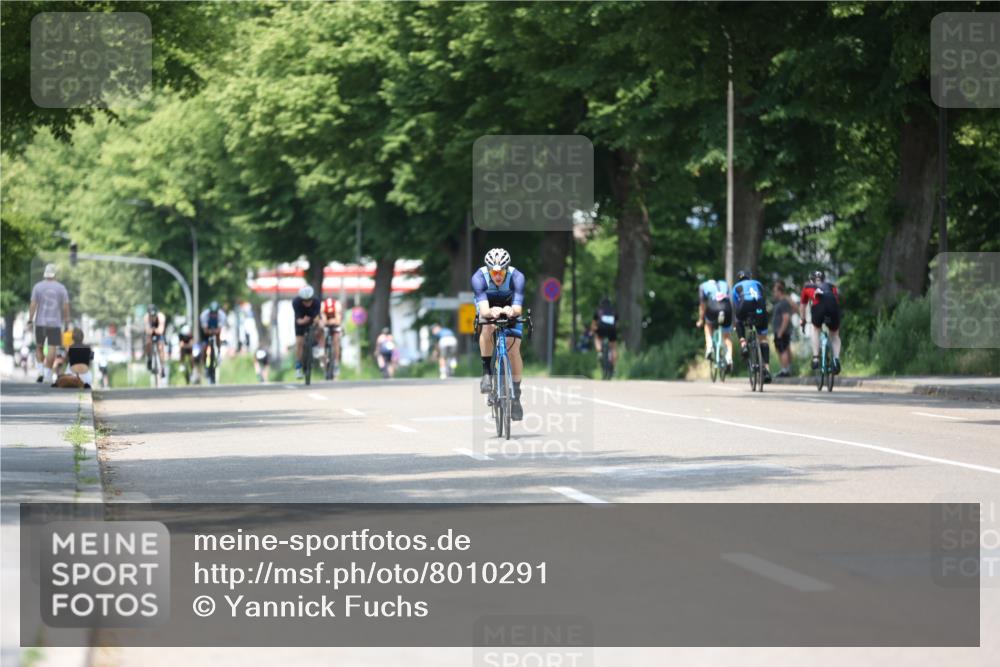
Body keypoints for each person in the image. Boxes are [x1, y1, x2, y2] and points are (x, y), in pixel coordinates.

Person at [471, 248, 526, 420]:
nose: (498, 275)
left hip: (510, 308)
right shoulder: (478, 278)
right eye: (494, 271)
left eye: (501, 270)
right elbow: (484, 310)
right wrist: (491, 312)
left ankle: (516, 395)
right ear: (488, 270)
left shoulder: (517, 277)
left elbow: (518, 308)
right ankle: (487, 372)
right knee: (487, 328)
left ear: (507, 268)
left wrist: (510, 310)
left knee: (513, 346)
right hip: (488, 306)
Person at [27, 263, 71, 384]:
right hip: (55, 324)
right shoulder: (61, 288)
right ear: (55, 274)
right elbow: (66, 307)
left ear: (45, 274)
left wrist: (30, 320)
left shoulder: (37, 287)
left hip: (40, 322)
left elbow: (33, 305)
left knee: (39, 346)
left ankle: (40, 371)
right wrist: (67, 322)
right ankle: (47, 374)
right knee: (52, 348)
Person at [732, 269, 772, 383]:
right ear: (749, 277)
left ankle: (743, 343)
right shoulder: (757, 283)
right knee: (763, 339)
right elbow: (762, 297)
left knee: (738, 320)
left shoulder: (736, 287)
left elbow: (736, 304)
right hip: (758, 306)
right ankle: (766, 369)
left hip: (744, 305)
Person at [799, 270, 842, 374]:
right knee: (835, 335)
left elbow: (803, 307)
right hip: (833, 307)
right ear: (823, 279)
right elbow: (836, 300)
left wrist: (803, 320)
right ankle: (836, 360)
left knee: (816, 329)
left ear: (811, 280)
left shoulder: (808, 286)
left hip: (819, 308)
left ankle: (815, 358)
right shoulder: (832, 286)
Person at [696, 278, 734, 371]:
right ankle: (729, 357)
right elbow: (729, 298)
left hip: (713, 307)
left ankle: (709, 346)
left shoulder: (703, 286)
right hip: (726, 307)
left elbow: (702, 305)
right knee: (727, 336)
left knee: (707, 325)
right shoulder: (724, 283)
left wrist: (701, 319)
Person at [291, 286, 321, 379]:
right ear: (301, 299)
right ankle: (298, 367)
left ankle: (316, 345)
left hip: (312, 318)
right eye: (305, 300)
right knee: (299, 342)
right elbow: (298, 320)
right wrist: (303, 321)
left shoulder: (316, 302)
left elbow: (317, 317)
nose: (307, 303)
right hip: (301, 321)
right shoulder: (296, 302)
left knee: (320, 326)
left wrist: (315, 321)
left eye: (309, 300)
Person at [771, 281, 794, 377]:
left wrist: (780, 332)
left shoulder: (783, 303)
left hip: (782, 331)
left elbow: (786, 318)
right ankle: (786, 369)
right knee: (783, 348)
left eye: (775, 291)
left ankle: (785, 370)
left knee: (782, 349)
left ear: (779, 291)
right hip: (780, 330)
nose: (774, 293)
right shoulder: (781, 302)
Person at [591, 296, 619, 370]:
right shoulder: (614, 310)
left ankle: (600, 352)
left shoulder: (598, 310)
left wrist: (593, 331)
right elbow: (616, 324)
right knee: (613, 348)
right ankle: (614, 366)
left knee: (597, 338)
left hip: (601, 329)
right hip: (612, 330)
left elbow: (594, 323)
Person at [321, 297, 343, 378]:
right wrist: (325, 323)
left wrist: (335, 322)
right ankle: (323, 357)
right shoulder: (323, 305)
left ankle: (336, 363)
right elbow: (323, 318)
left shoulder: (337, 305)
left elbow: (338, 319)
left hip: (335, 324)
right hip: (326, 324)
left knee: (336, 341)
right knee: (322, 336)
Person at [144, 304, 167, 378]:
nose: (152, 317)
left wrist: (154, 330)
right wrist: (152, 331)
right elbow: (147, 331)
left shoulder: (161, 317)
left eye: (154, 315)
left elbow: (161, 330)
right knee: (148, 342)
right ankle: (149, 358)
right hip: (151, 333)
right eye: (151, 315)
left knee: (160, 347)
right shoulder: (146, 318)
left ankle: (162, 366)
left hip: (159, 334)